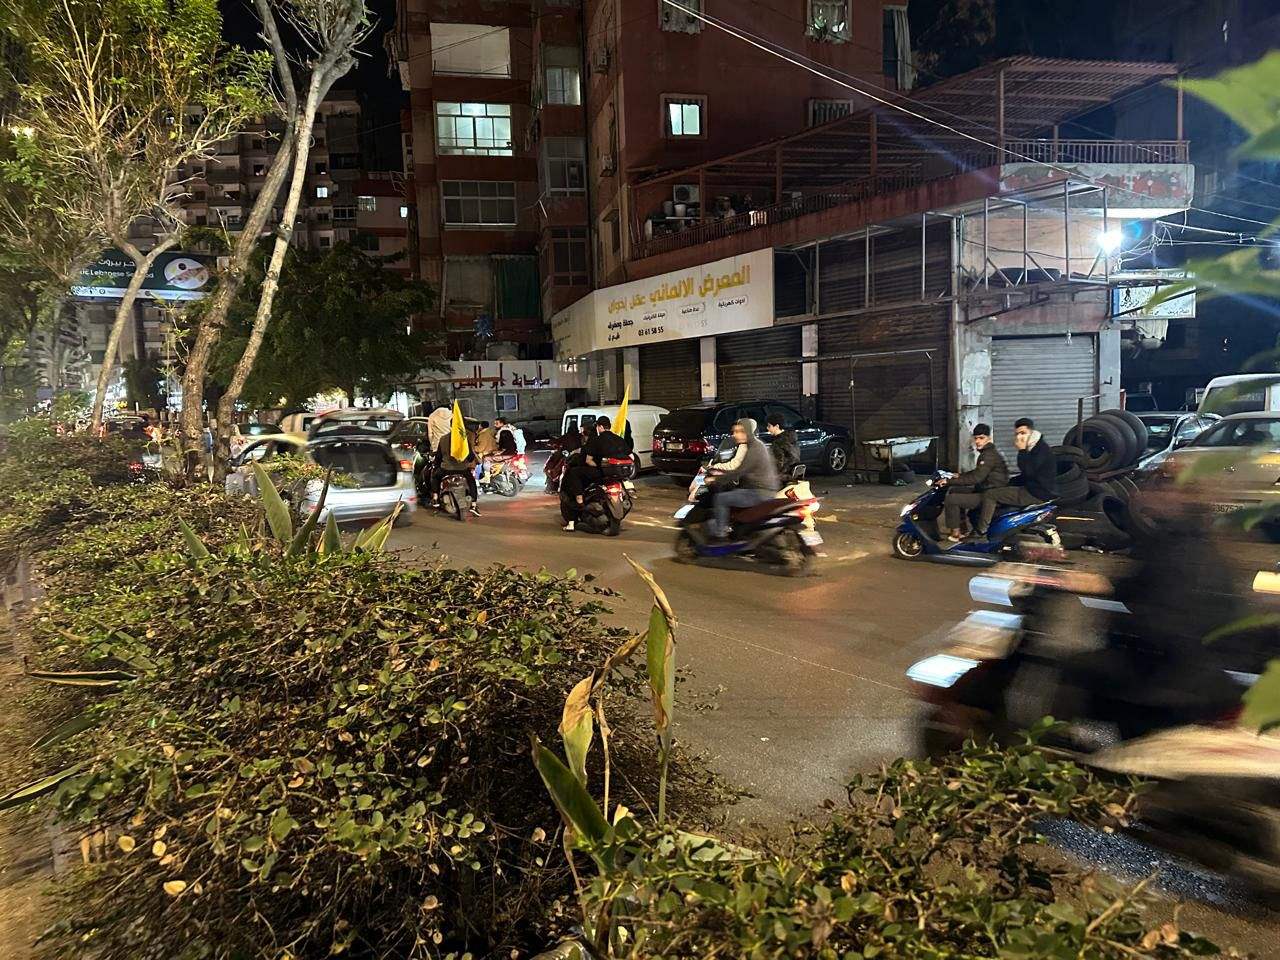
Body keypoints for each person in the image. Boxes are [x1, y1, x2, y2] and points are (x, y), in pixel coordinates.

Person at [975, 417, 1057, 536]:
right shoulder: (1035, 446)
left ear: (1031, 432)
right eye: (1017, 434)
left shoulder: (1040, 450)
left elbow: (1028, 471)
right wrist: (1010, 482)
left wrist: (1021, 451)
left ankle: (981, 532)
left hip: (1035, 492)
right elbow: (1027, 474)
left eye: (1023, 433)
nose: (1020, 437)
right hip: (1035, 488)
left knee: (990, 495)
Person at [706, 418, 779, 540]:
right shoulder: (753, 445)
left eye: (739, 431)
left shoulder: (755, 448)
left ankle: (721, 534)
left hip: (759, 492)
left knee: (720, 499)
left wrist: (715, 480)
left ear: (748, 432)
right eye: (734, 431)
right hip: (758, 489)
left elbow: (740, 470)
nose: (735, 434)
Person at [939, 423, 1009, 541]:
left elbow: (976, 478)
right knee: (955, 490)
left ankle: (956, 534)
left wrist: (948, 481)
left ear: (989, 438)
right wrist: (959, 475)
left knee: (951, 500)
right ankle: (963, 529)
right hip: (985, 488)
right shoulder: (988, 453)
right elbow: (978, 472)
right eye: (976, 438)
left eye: (981, 438)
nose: (978, 441)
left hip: (989, 494)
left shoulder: (988, 456)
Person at [561, 416, 630, 531]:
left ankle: (579, 499)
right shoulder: (619, 439)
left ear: (600, 427)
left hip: (600, 473)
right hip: (618, 474)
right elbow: (631, 456)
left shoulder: (596, 440)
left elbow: (588, 460)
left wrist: (599, 467)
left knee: (574, 473)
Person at [432, 419, 480, 517]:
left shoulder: (443, 439)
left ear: (450, 426)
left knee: (435, 477)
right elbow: (470, 457)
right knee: (472, 482)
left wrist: (437, 465)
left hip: (446, 469)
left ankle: (436, 498)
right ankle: (474, 505)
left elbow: (438, 457)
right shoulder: (464, 439)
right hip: (463, 470)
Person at [765, 413, 801, 477]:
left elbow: (778, 465)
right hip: (794, 474)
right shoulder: (792, 438)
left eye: (769, 426)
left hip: (784, 476)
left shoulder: (778, 443)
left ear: (777, 426)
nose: (767, 428)